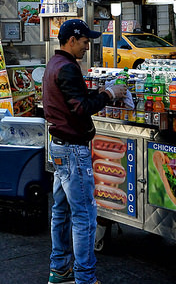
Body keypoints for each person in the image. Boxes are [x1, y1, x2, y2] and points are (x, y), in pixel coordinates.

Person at [43, 19, 127, 284]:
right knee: (84, 216)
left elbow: (73, 101)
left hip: (58, 146)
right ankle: (85, 278)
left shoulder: (53, 64)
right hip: (72, 150)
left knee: (61, 211)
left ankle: (59, 269)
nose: (86, 47)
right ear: (71, 40)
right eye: (84, 41)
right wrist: (110, 94)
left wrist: (97, 92)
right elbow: (80, 109)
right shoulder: (67, 67)